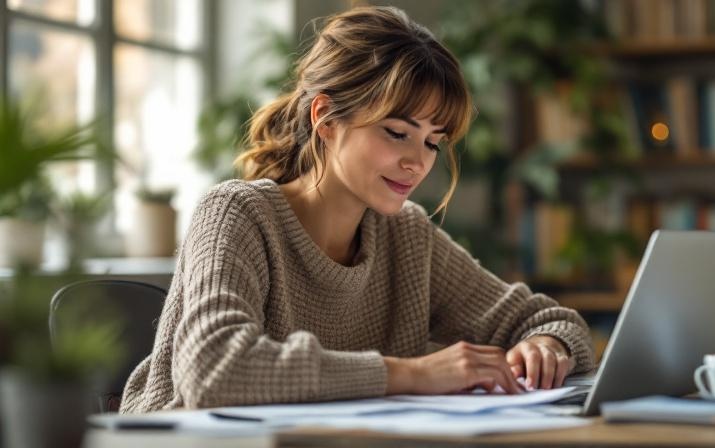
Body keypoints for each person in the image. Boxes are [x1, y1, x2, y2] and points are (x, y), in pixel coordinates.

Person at [120, 5, 593, 413]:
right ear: (325, 118)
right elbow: (214, 369)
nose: (418, 163)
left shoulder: (406, 236)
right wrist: (412, 374)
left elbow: (554, 322)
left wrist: (545, 347)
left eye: (433, 142)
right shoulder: (237, 214)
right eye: (396, 132)